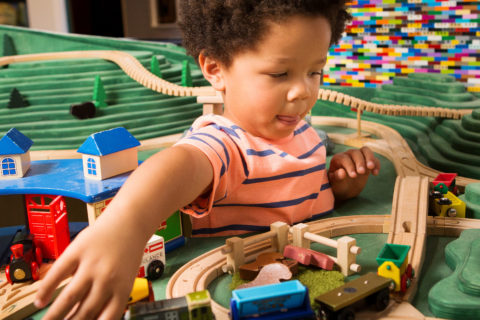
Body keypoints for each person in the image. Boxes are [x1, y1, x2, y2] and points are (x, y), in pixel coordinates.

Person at [35, 1, 380, 319]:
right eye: (280, 74)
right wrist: (126, 225)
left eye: (314, 72)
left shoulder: (304, 135)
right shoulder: (228, 144)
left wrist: (339, 185)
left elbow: (298, 190)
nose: (303, 90)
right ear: (216, 69)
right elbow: (181, 163)